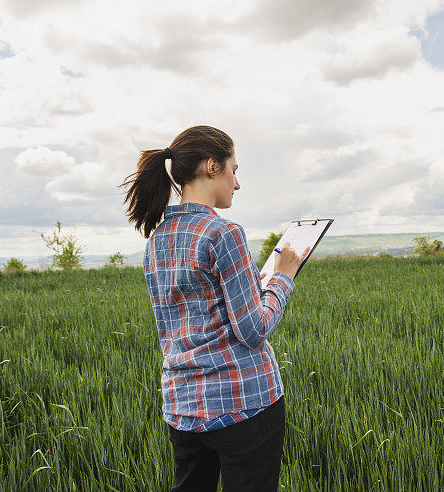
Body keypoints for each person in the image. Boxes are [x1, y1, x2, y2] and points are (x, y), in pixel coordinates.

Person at [122, 125, 309, 492]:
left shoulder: (157, 239)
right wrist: (283, 276)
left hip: (182, 407)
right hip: (243, 404)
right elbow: (253, 329)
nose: (237, 183)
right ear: (212, 166)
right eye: (234, 170)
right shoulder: (225, 233)